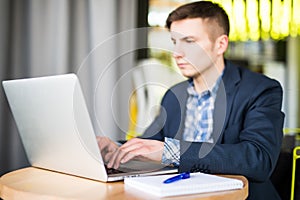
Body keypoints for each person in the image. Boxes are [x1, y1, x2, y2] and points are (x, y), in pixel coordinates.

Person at [97, 1, 285, 199]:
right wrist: (116, 148)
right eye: (175, 42)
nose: (177, 53)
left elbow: (259, 159)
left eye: (189, 41)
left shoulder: (261, 90)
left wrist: (172, 151)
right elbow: (150, 144)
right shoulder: (173, 95)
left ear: (220, 44)